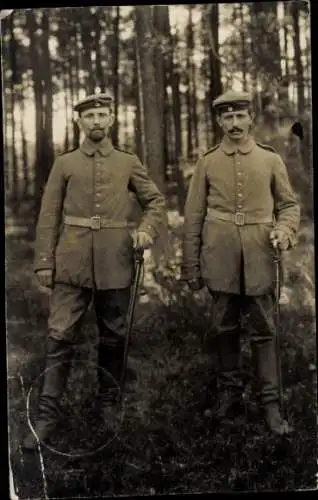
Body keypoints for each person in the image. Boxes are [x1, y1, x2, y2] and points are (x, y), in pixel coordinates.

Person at [23, 93, 166, 450]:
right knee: (60, 336)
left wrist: (147, 229)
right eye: (90, 116)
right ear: (79, 123)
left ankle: (108, 405)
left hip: (115, 261)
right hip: (70, 263)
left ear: (112, 119)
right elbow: (48, 215)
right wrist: (44, 261)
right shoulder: (65, 164)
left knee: (114, 336)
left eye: (103, 114)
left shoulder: (127, 162)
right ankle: (45, 416)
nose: (97, 121)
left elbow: (155, 202)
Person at [182, 90, 300, 435]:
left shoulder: (269, 159)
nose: (234, 124)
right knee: (224, 329)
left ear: (251, 119)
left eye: (240, 116)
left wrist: (283, 229)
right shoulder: (207, 161)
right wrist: (191, 265)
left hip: (262, 255)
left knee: (264, 330)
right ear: (219, 121)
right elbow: (193, 216)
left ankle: (270, 405)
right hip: (220, 259)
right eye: (227, 117)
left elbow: (289, 206)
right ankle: (229, 397)